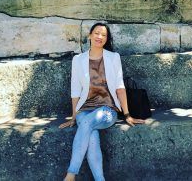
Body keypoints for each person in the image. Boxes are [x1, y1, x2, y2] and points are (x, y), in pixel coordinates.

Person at [59, 22, 145, 181]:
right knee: (91, 135)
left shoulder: (113, 57)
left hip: (107, 110)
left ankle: (70, 175)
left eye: (103, 35)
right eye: (97, 33)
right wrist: (73, 116)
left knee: (86, 125)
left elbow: (120, 87)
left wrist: (127, 115)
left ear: (106, 39)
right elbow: (75, 90)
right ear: (90, 35)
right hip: (84, 109)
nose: (100, 37)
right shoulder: (78, 60)